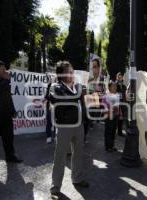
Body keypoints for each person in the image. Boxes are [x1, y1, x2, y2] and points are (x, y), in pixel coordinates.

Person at [49, 61, 89, 199]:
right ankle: (55, 187)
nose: (72, 74)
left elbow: (82, 104)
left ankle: (77, 178)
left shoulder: (78, 86)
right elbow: (63, 101)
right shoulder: (55, 86)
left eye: (72, 71)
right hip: (64, 127)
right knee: (60, 157)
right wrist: (80, 93)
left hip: (79, 126)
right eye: (69, 71)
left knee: (78, 154)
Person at [102, 81, 120, 152]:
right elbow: (104, 107)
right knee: (108, 132)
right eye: (113, 86)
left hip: (115, 116)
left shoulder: (117, 95)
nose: (115, 87)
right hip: (108, 116)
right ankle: (108, 147)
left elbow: (118, 106)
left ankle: (112, 146)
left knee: (113, 131)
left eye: (115, 86)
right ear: (109, 87)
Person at [115, 72, 127, 136]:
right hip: (117, 103)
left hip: (122, 103)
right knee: (116, 117)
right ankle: (115, 130)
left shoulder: (124, 86)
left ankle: (119, 132)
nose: (120, 78)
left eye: (121, 77)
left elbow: (125, 95)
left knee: (121, 118)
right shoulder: (115, 85)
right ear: (117, 78)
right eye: (118, 77)